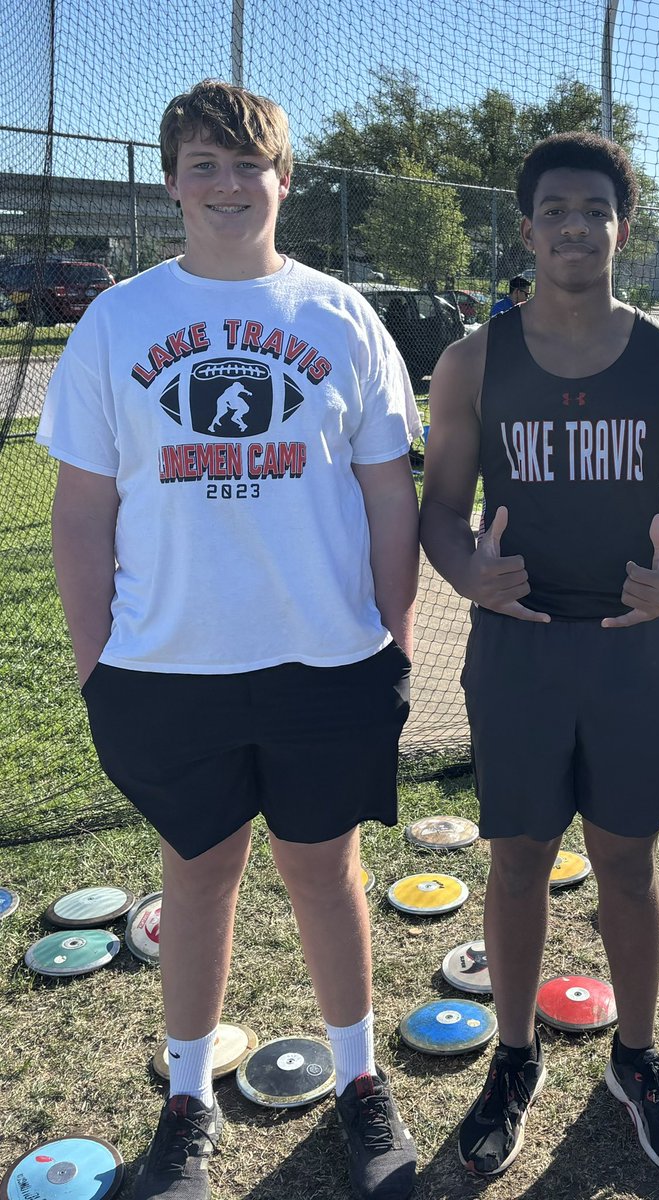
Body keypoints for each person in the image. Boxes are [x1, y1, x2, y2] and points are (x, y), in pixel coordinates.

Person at [38, 80, 421, 1200]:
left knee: (325, 870)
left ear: (283, 181)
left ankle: (357, 1082)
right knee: (196, 878)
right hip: (169, 668)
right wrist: (92, 658)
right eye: (201, 164)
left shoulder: (341, 316)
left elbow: (389, 494)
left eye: (247, 164)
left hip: (324, 661)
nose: (224, 184)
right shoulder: (118, 320)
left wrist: (391, 637)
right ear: (169, 182)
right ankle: (188, 1100)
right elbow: (82, 509)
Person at [420, 131, 659, 1179]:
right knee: (515, 862)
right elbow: (438, 514)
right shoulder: (472, 360)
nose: (573, 227)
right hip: (520, 651)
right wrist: (469, 574)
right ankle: (513, 1057)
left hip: (634, 651)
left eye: (594, 211)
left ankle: (633, 1059)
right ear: (526, 228)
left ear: (621, 230)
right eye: (553, 210)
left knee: (628, 865)